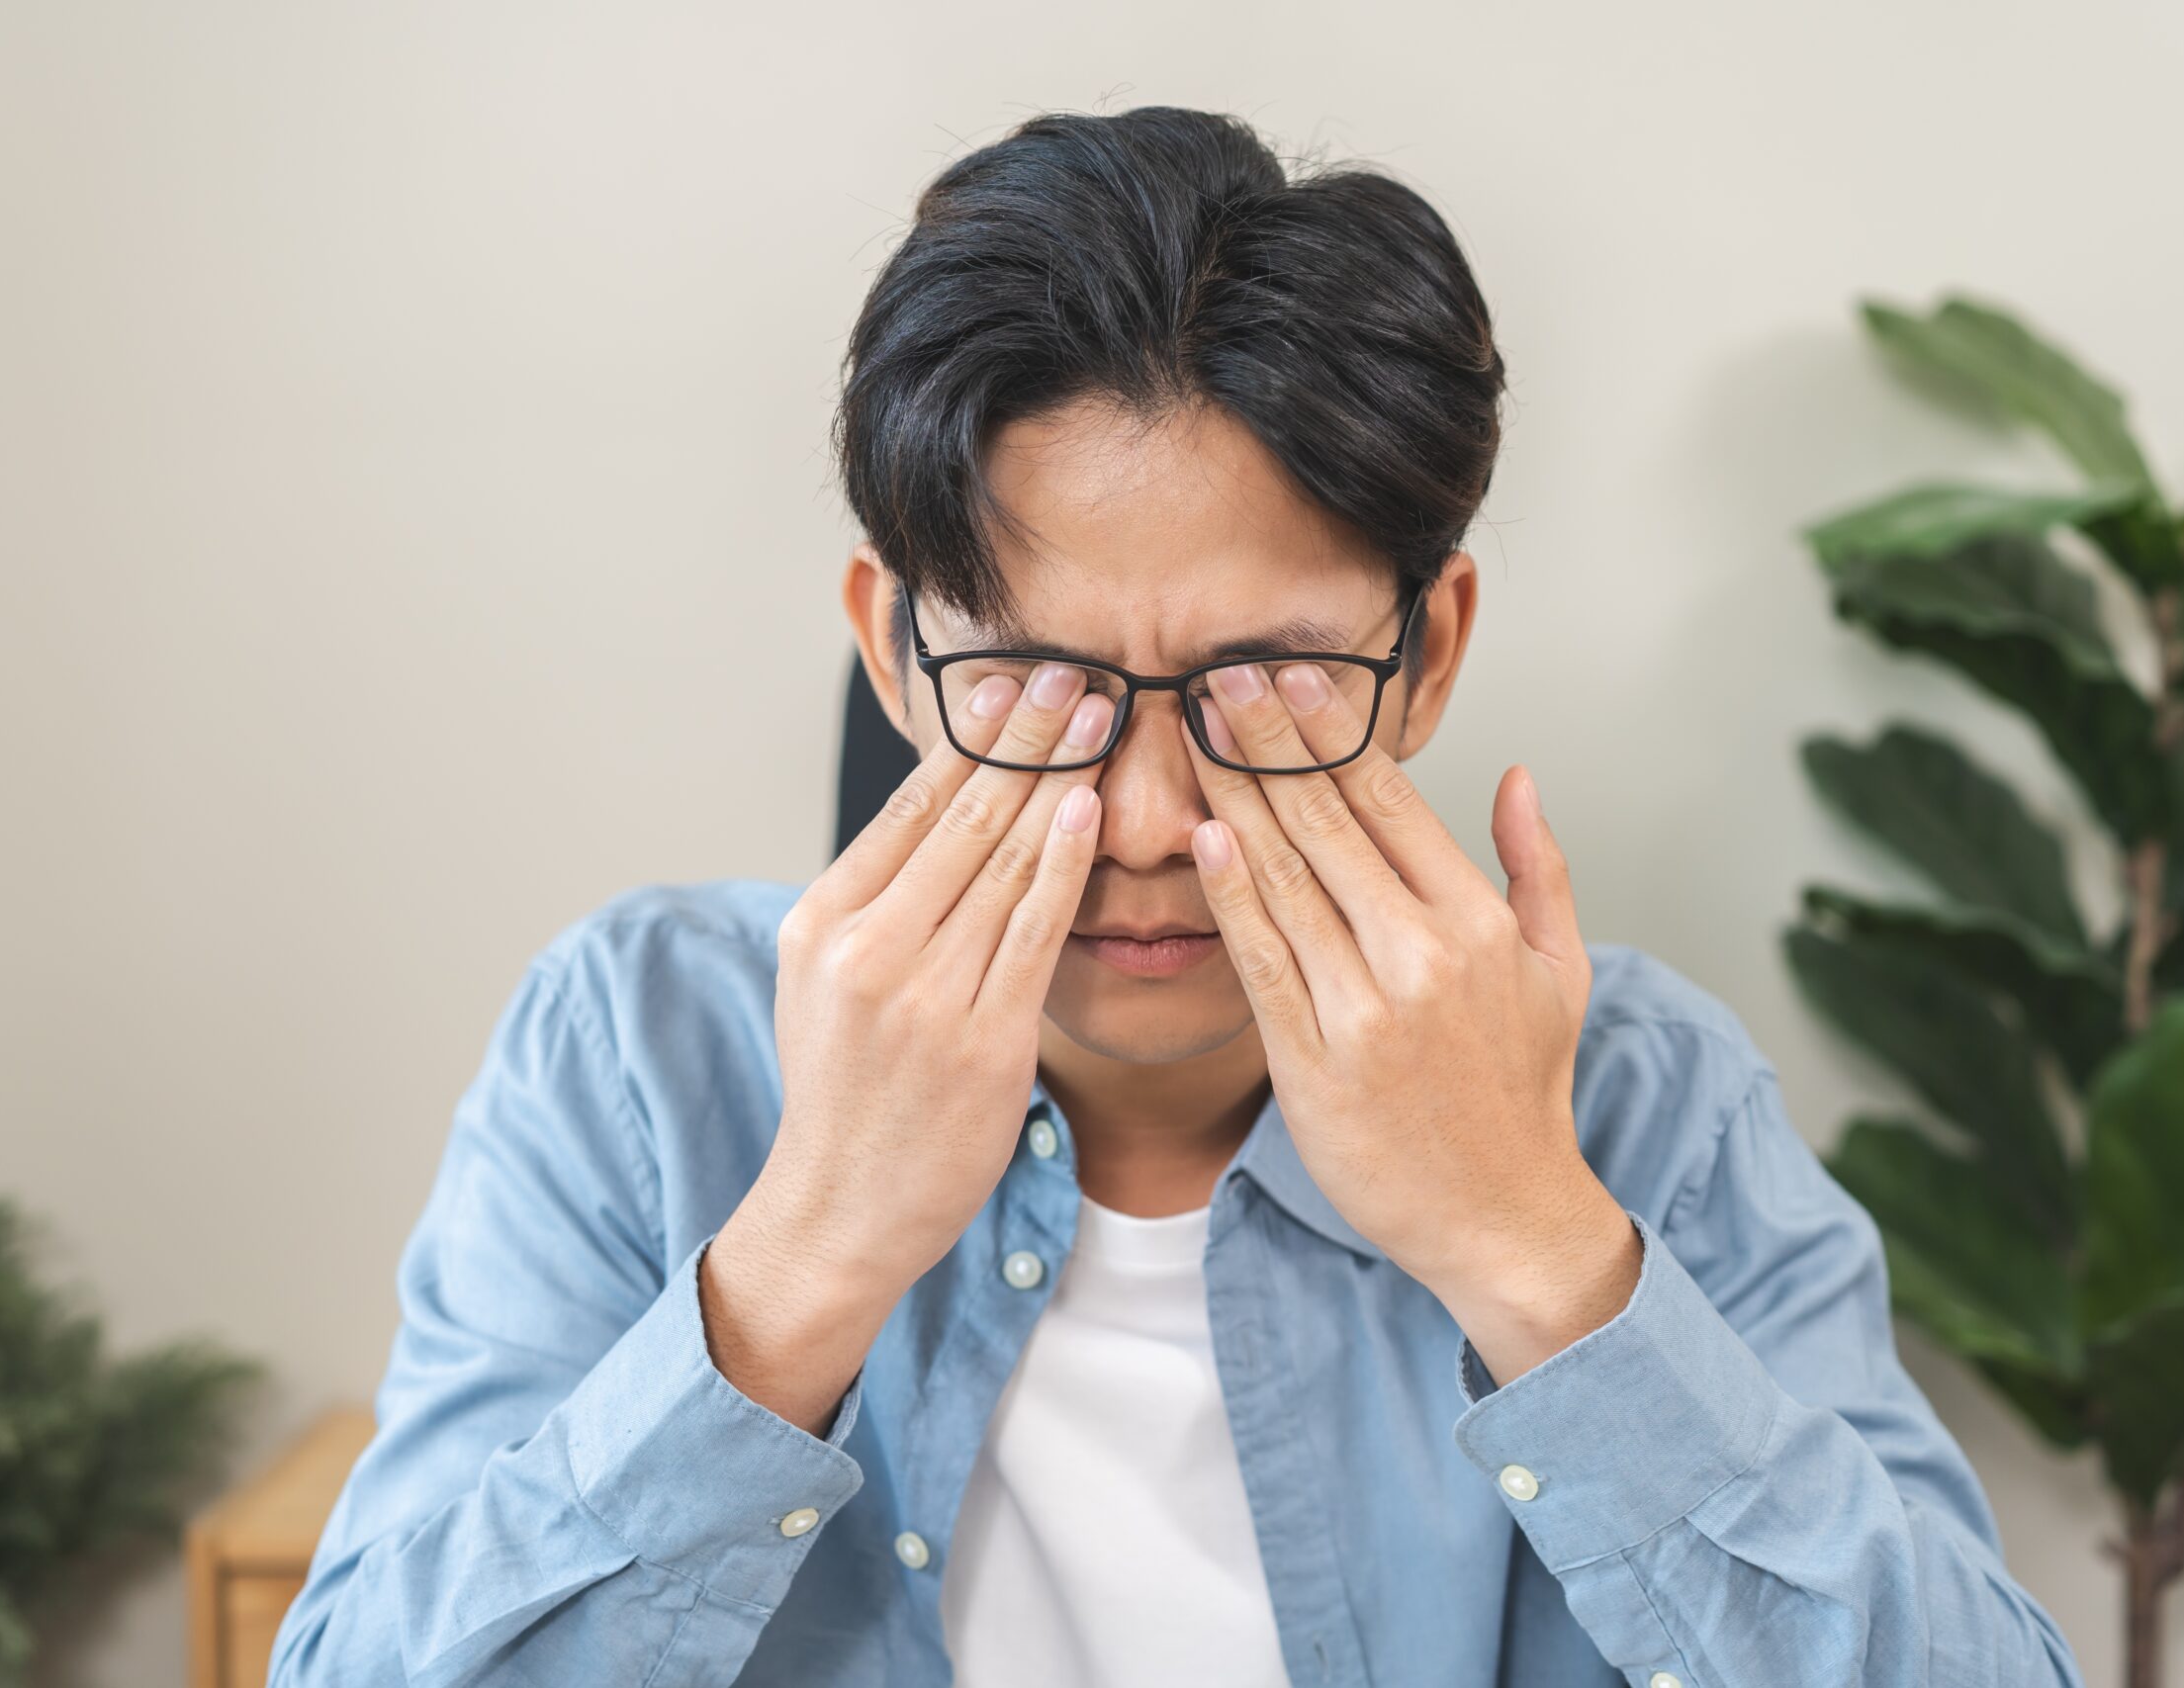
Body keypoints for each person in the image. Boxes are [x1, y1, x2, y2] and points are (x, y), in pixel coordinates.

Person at [269, 105, 2084, 1687]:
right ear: (892, 655)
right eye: (1034, 685)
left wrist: (1533, 1247)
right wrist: (805, 1260)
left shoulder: (1642, 1105)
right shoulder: (636, 1054)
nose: (1144, 819)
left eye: (1265, 682)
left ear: (1428, 653)